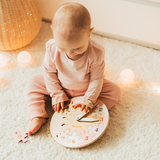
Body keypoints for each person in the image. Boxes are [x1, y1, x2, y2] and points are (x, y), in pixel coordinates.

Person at [26, 2, 121, 136]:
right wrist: (56, 94)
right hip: (60, 84)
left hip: (86, 88)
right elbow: (49, 73)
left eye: (77, 48)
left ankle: (89, 110)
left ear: (89, 32)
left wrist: (89, 99)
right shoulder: (51, 47)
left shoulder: (96, 52)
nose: (71, 53)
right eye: (63, 48)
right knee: (33, 82)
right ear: (52, 30)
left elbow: (96, 79)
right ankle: (38, 116)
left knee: (114, 91)